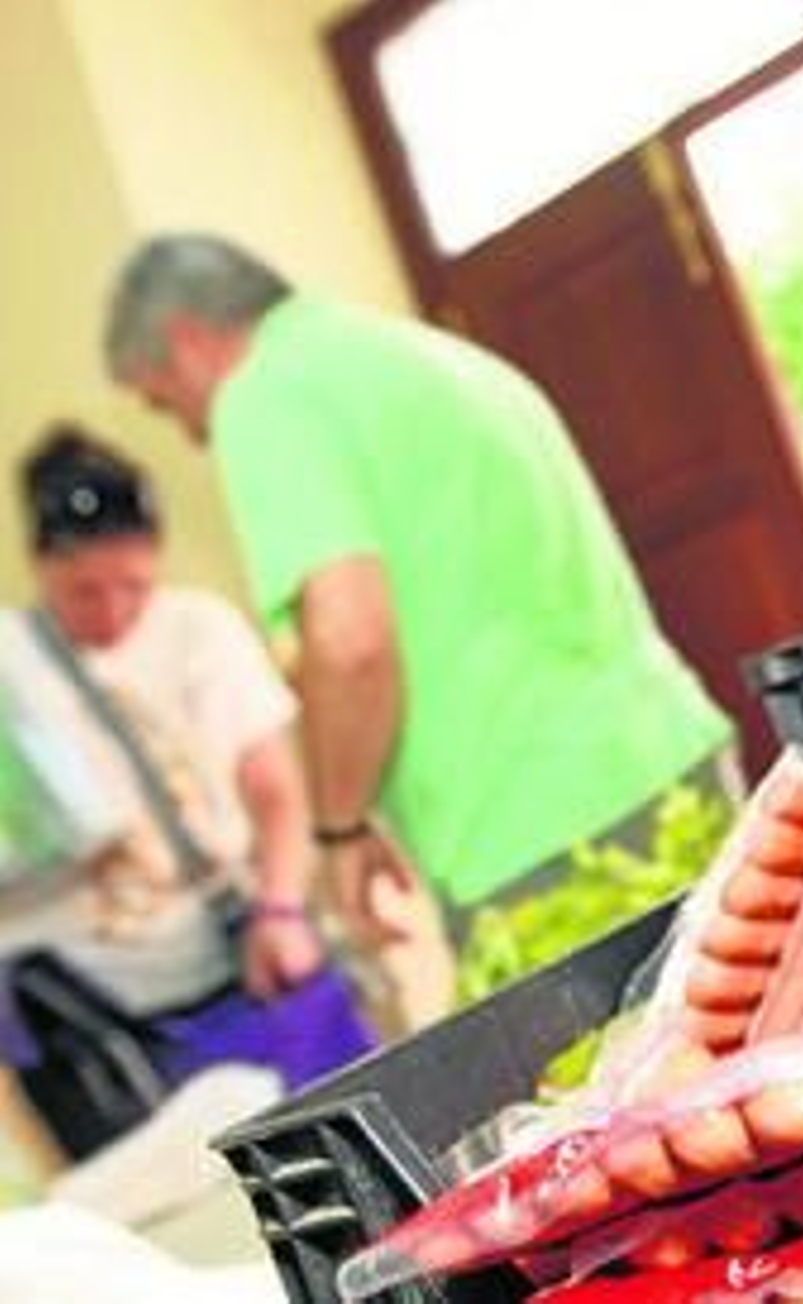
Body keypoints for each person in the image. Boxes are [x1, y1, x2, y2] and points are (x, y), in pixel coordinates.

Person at [103, 234, 735, 949]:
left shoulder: (263, 392)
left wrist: (340, 828)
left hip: (546, 838)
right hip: (679, 769)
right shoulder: (422, 354)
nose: (193, 434)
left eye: (167, 404)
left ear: (186, 341)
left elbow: (350, 642)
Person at [0, 426, 374, 1113]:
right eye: (85, 593)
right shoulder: (13, 663)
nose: (112, 613)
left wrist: (282, 908)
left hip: (245, 953)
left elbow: (275, 794)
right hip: (101, 1008)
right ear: (39, 564)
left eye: (132, 587)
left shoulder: (198, 630)